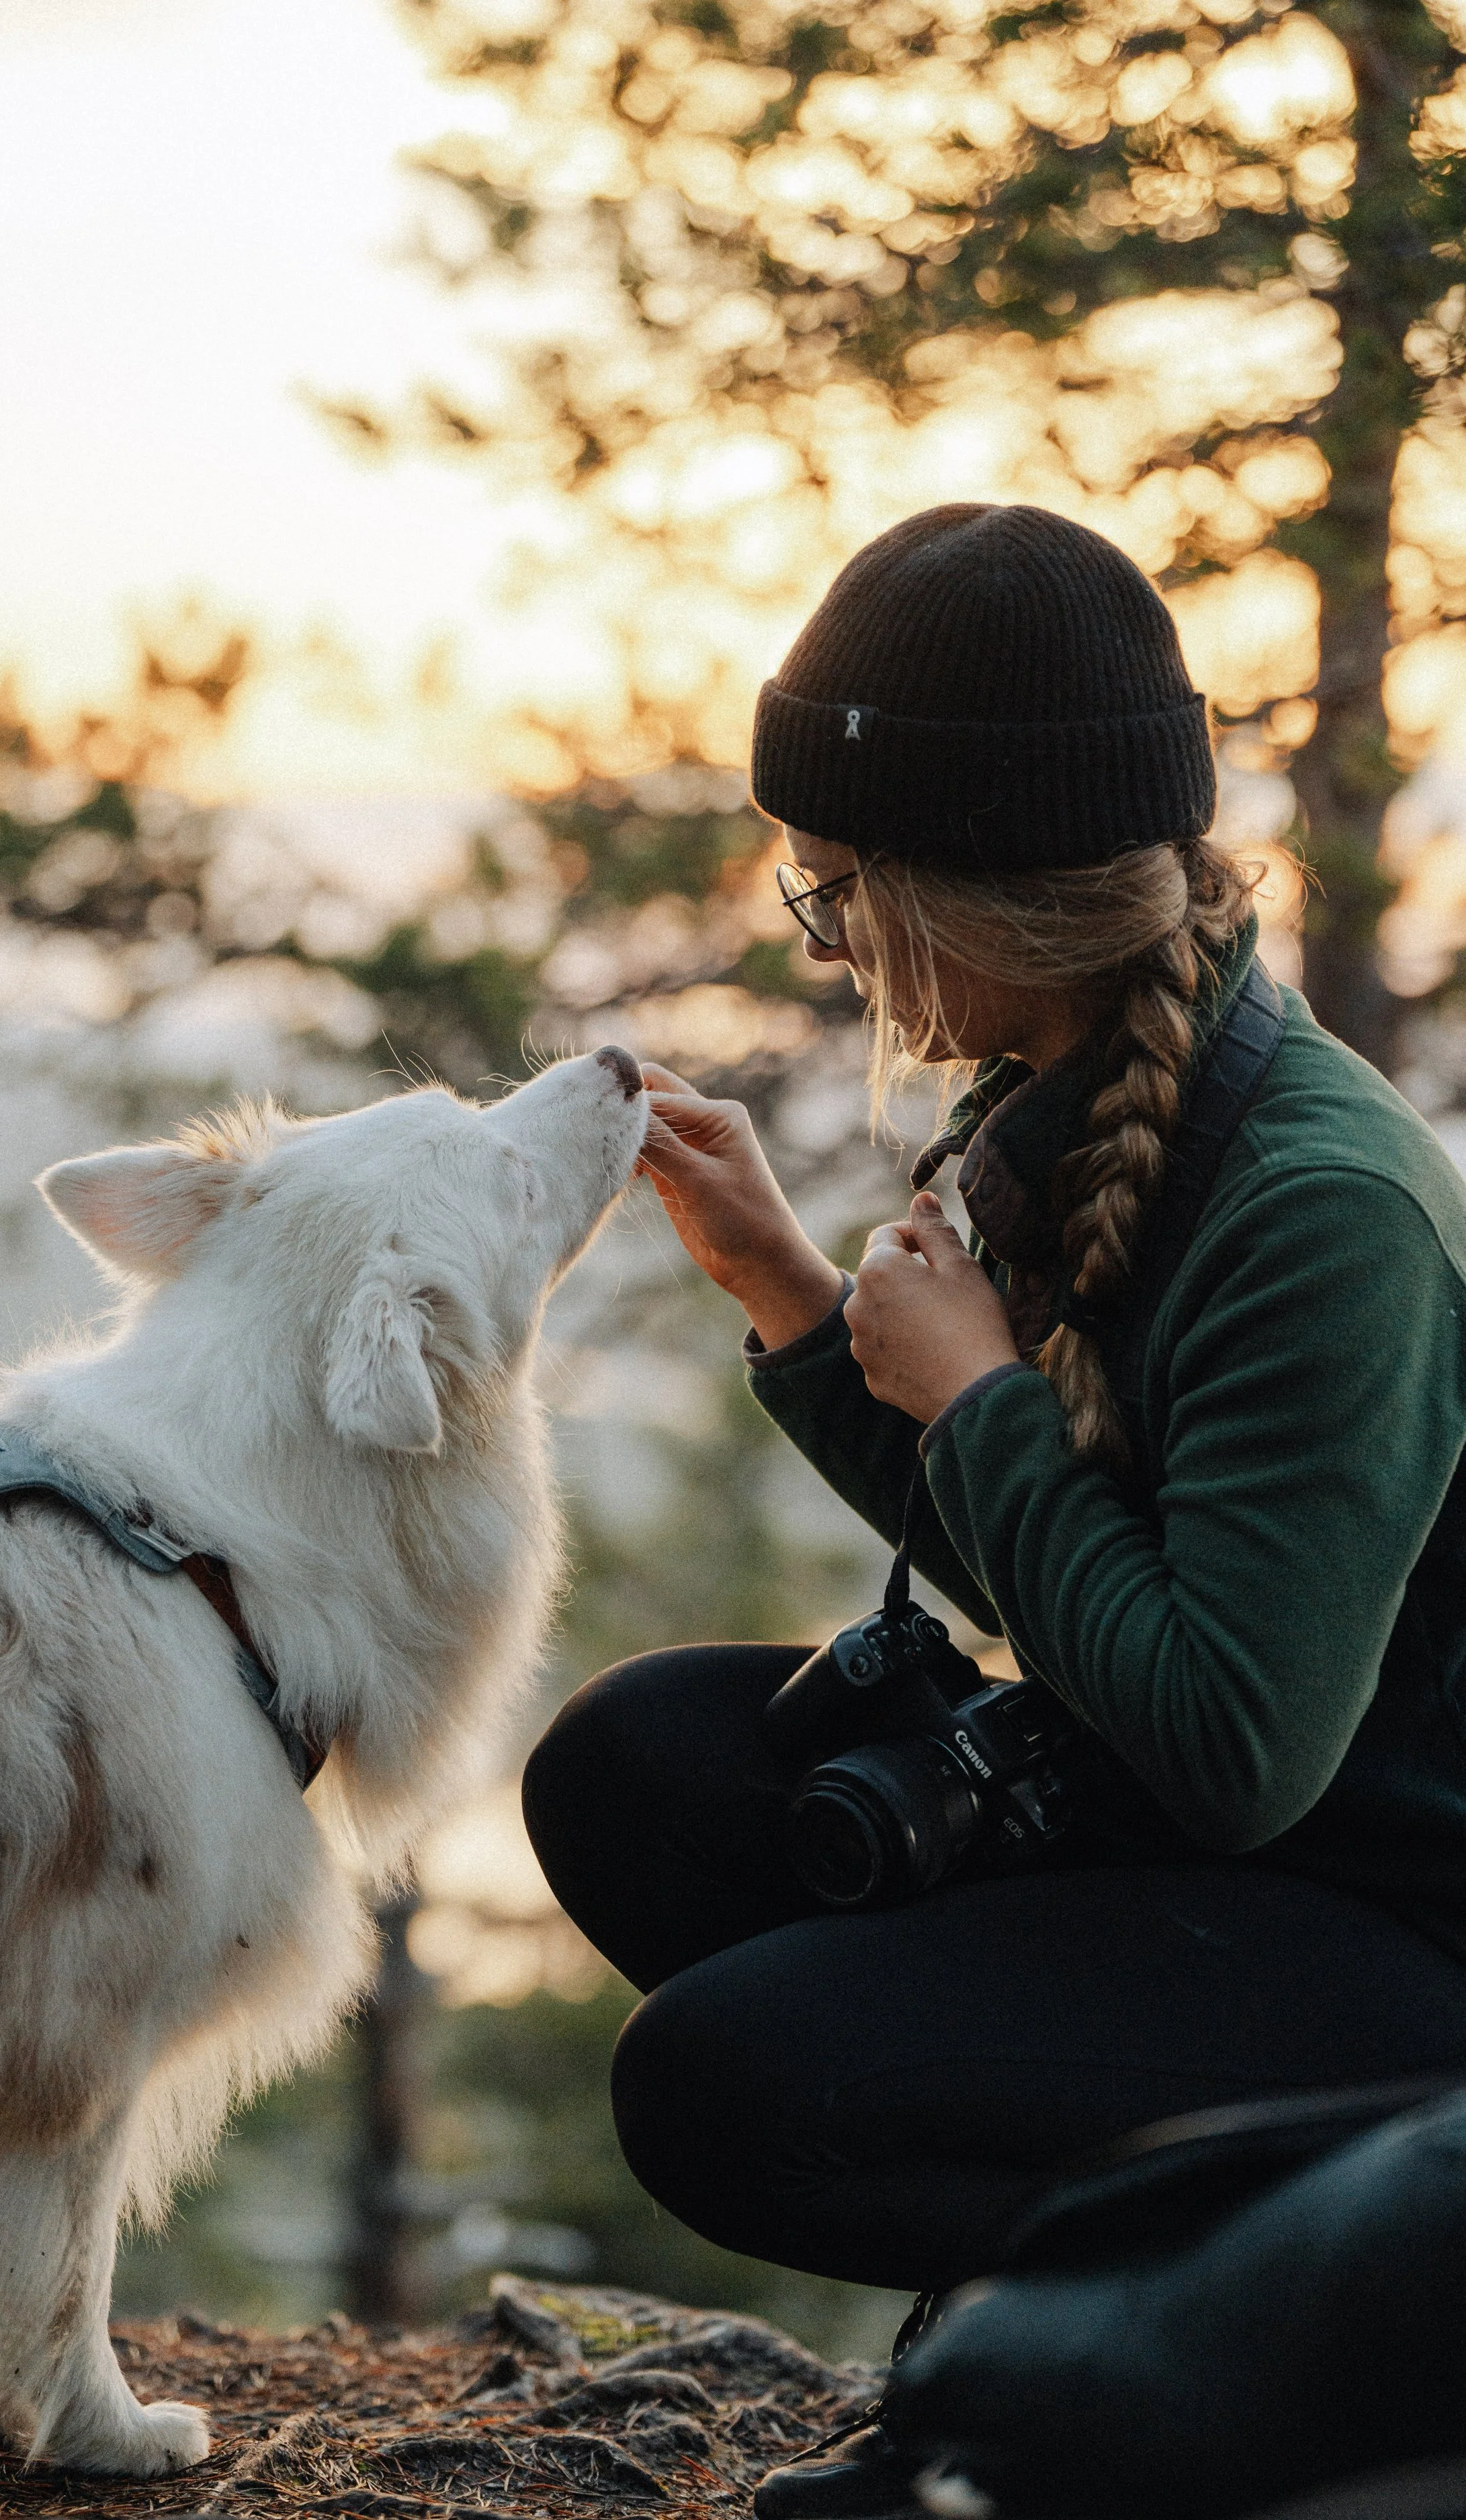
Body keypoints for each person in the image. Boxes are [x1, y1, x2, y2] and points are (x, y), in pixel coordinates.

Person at [520, 503, 1466, 2501]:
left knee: (733, 2085)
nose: (822, 936)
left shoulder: (1317, 1207)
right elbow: (1086, 1603)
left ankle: (1146, 2365)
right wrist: (794, 1306)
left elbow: (1228, 1745)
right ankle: (1086, 2323)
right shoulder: (1081, 1074)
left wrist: (975, 1405)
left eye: (834, 887)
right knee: (643, 1764)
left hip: (1395, 1932)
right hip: (1213, 1834)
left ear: (974, 890)